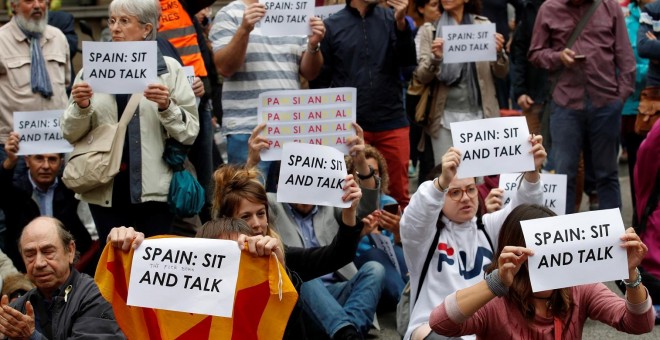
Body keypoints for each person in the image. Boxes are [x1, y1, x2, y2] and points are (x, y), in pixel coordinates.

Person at [62, 0, 199, 246]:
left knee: (152, 266)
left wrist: (166, 107)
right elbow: (70, 134)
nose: (115, 28)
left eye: (124, 21)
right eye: (112, 20)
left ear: (146, 29)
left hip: (155, 194)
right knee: (115, 268)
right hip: (105, 190)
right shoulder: (90, 71)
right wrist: (81, 107)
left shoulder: (169, 71)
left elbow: (189, 133)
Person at [428, 204, 655, 337]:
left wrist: (631, 276)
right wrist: (495, 283)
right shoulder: (496, 301)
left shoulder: (579, 287)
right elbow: (440, 323)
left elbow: (640, 324)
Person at [400, 134, 546, 340]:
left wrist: (532, 173)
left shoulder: (488, 227)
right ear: (440, 197)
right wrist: (442, 182)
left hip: (483, 330)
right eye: (455, 193)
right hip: (433, 328)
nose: (466, 198)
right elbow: (415, 217)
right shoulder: (424, 238)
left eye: (470, 189)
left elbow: (522, 215)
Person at [528, 0, 636, 214]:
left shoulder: (609, 7)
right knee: (564, 174)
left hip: (605, 103)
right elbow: (535, 53)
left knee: (607, 174)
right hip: (565, 104)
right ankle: (563, 239)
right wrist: (558, 57)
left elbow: (625, 57)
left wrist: (619, 98)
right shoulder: (549, 9)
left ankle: (613, 238)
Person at [311, 0, 417, 207]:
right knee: (351, 193)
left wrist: (402, 25)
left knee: (399, 195)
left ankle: (397, 238)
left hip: (392, 120)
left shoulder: (394, 19)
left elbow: (408, 67)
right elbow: (321, 81)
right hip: (351, 127)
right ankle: (360, 238)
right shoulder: (332, 25)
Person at [209, 0, 325, 174]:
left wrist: (313, 45)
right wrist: (244, 30)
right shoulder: (229, 13)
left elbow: (310, 73)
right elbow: (224, 67)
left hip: (290, 128)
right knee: (248, 197)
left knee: (289, 199)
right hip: (248, 130)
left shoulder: (293, 12)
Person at [413, 0, 508, 165]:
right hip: (443, 118)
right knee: (447, 174)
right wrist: (435, 59)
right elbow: (421, 76)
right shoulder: (431, 30)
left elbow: (502, 73)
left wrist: (499, 53)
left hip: (480, 115)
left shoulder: (482, 26)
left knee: (477, 177)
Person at [0, 217, 125, 339]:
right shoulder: (17, 309)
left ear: (70, 251)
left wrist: (32, 337)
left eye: (47, 251)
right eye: (30, 254)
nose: (39, 263)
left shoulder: (97, 296)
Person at [0, 132, 94, 273]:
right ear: (26, 160)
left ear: (61, 163)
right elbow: (2, 191)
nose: (45, 166)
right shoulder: (17, 191)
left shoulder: (72, 190)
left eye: (52, 159)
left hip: (68, 269)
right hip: (24, 271)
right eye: (39, 158)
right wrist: (9, 162)